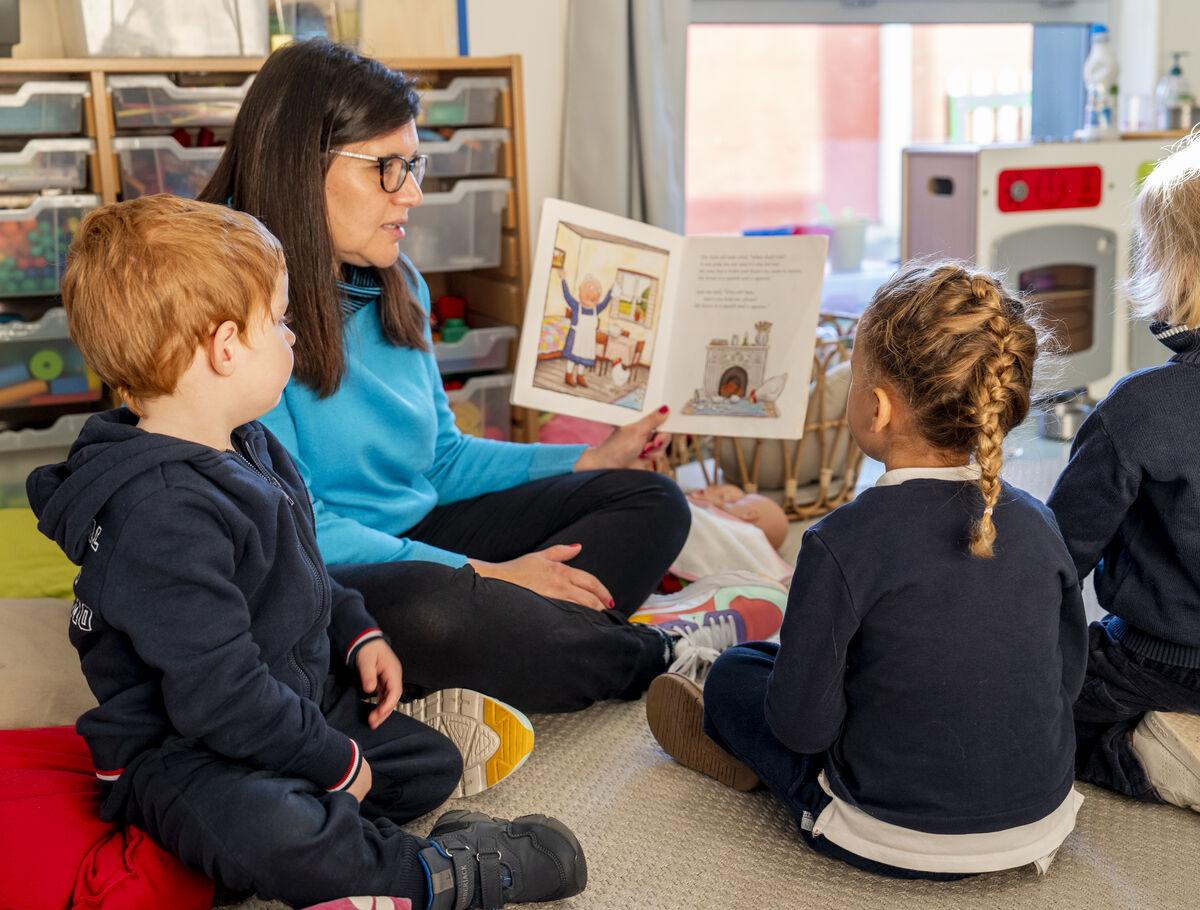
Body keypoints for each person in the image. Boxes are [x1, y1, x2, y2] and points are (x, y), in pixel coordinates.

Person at [27, 195, 586, 909]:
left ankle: (344, 824)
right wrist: (330, 759)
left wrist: (356, 630)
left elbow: (302, 566)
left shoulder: (247, 442)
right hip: (186, 753)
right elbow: (218, 699)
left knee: (425, 762)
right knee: (270, 825)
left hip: (286, 700)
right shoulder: (161, 513)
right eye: (282, 321)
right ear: (225, 347)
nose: (295, 338)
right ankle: (433, 875)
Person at [199, 40, 771, 715]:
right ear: (302, 163)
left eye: (414, 164)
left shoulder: (391, 278)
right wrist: (491, 576)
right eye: (388, 168)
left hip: (426, 532)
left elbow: (441, 458)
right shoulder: (227, 306)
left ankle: (520, 648)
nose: (412, 192)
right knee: (433, 611)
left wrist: (587, 459)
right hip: (324, 574)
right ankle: (652, 654)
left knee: (652, 502)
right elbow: (301, 532)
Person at [648, 262, 1089, 878]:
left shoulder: (841, 540)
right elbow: (1065, 682)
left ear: (876, 408)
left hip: (882, 832)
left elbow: (803, 728)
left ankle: (723, 727)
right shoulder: (1042, 525)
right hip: (1039, 820)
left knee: (736, 673)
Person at [1047, 135, 1200, 812]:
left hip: (1163, 662)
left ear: (1178, 270)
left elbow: (1058, 557)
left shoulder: (1142, 407)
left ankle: (1146, 752)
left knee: (1024, 709)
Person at [557, 269, 613, 388]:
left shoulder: (596, 309)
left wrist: (611, 291)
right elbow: (567, 295)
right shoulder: (576, 306)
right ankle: (568, 375)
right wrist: (563, 279)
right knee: (573, 358)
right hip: (576, 336)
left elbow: (606, 302)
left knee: (584, 358)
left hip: (588, 338)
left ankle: (580, 376)